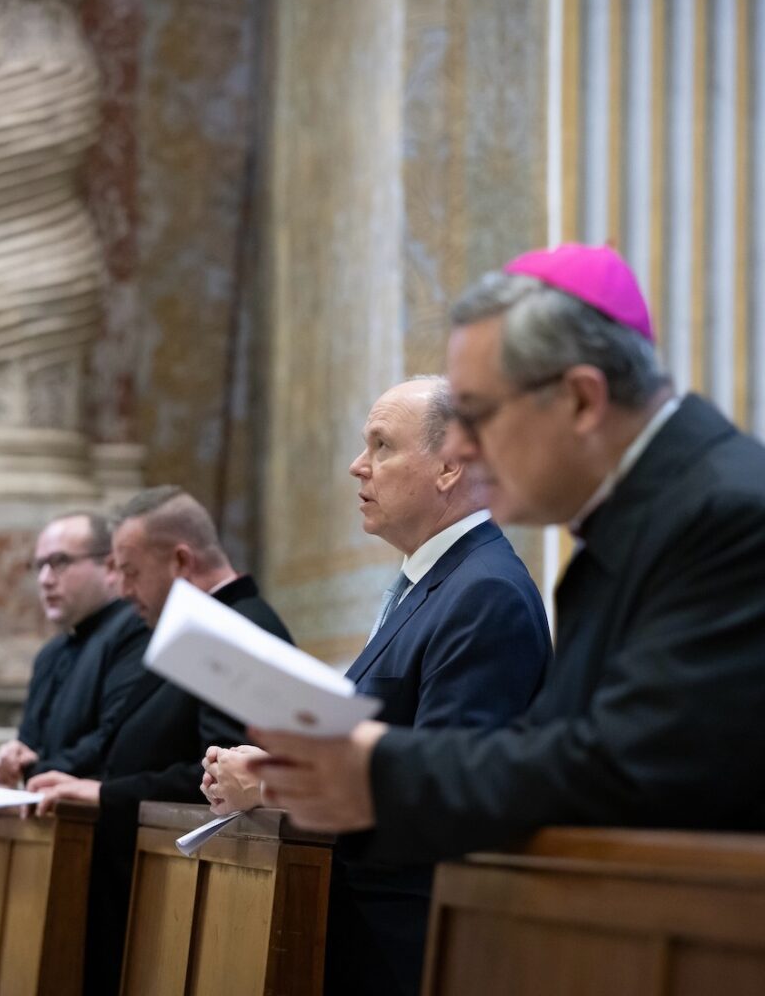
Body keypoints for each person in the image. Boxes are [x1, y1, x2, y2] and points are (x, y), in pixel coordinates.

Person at [243, 242, 765, 867]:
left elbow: (631, 769)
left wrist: (376, 768)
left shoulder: (730, 517)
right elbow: (555, 743)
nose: (461, 448)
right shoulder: (645, 517)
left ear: (580, 399)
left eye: (476, 414)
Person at [202, 377, 552, 996]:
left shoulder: (485, 593)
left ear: (449, 467)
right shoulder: (433, 585)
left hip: (410, 949)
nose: (358, 467)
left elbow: (447, 794)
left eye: (382, 445)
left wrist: (279, 787)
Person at [27, 486, 293, 996]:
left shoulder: (236, 633)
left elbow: (218, 781)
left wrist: (102, 793)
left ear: (179, 560)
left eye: (130, 571)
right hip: (144, 887)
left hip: (188, 906)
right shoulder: (202, 632)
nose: (122, 590)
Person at [0, 512, 148, 787]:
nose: (45, 579)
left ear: (109, 567)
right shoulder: (51, 653)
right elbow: (29, 742)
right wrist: (10, 758)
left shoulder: (135, 630)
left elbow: (113, 738)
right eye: (40, 565)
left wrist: (35, 770)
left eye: (60, 562)